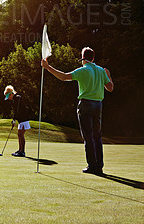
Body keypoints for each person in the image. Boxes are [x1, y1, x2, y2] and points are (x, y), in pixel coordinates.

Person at [41, 46, 113, 175]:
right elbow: (110, 88)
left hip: (85, 104)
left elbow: (63, 77)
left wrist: (47, 67)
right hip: (98, 105)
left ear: (83, 58)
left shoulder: (83, 70)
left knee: (88, 137)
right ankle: (99, 166)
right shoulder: (102, 71)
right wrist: (109, 75)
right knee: (97, 136)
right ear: (93, 58)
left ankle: (92, 166)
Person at [4, 85, 31, 157]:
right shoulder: (15, 99)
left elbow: (17, 110)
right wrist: (14, 119)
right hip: (21, 119)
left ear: (10, 94)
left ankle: (22, 152)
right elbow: (16, 111)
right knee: (19, 134)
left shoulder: (17, 98)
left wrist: (14, 120)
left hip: (24, 119)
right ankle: (20, 150)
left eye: (8, 96)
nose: (8, 99)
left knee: (21, 134)